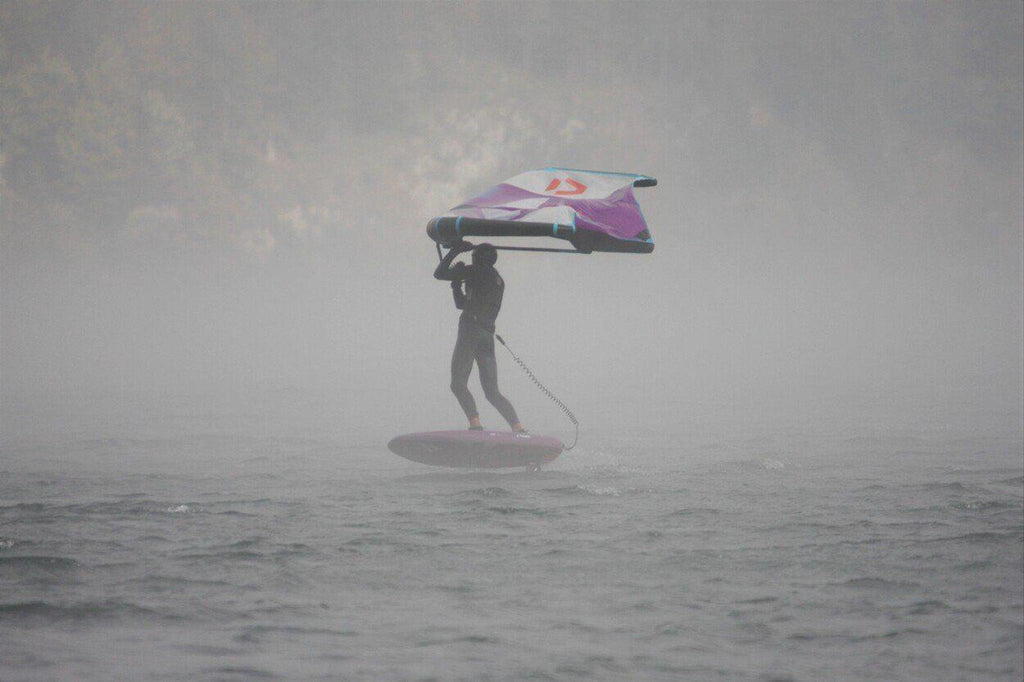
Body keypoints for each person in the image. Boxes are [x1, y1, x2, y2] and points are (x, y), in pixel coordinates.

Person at [434, 241, 526, 434]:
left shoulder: (476, 271)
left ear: (478, 258)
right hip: (486, 337)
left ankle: (475, 424)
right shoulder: (498, 280)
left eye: (473, 256)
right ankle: (518, 428)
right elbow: (462, 304)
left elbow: (439, 273)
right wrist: (457, 284)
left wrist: (455, 251)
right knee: (492, 392)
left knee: (458, 384)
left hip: (470, 332)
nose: (471, 259)